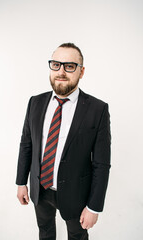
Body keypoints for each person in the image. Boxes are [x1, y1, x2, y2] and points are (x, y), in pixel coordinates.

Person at [16, 42, 111, 240]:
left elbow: (101, 164)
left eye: (69, 66)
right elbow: (26, 144)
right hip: (40, 189)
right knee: (45, 232)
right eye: (56, 64)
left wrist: (94, 207)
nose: (61, 71)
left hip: (76, 194)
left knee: (77, 237)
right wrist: (21, 182)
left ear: (81, 71)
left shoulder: (97, 109)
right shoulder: (35, 102)